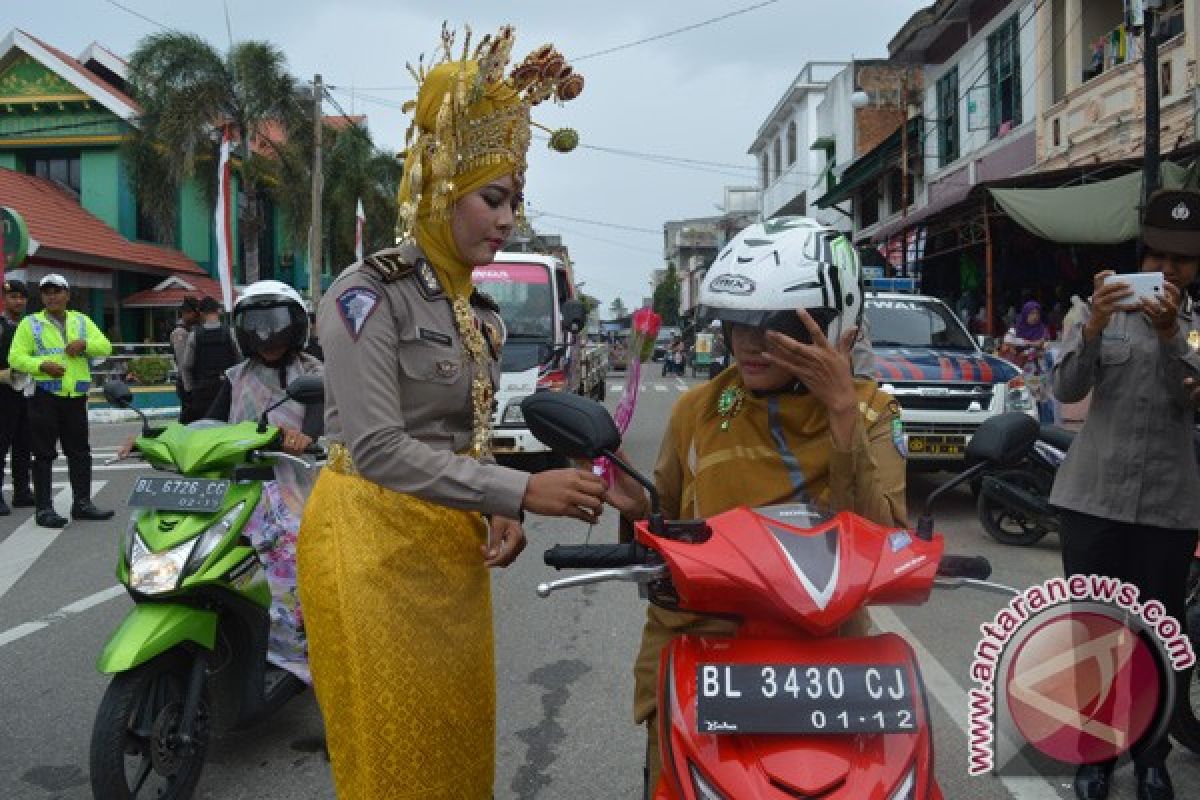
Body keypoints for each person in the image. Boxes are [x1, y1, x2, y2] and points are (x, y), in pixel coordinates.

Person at [296, 28, 605, 799]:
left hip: (447, 545)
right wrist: (519, 491)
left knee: (456, 748)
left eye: (515, 201)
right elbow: (376, 447)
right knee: (394, 760)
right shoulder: (369, 293)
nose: (507, 220)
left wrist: (490, 502)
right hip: (370, 541)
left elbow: (457, 435)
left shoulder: (478, 311)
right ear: (440, 188)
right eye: (492, 199)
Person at [604, 217, 907, 791]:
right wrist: (633, 503)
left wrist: (841, 412)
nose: (747, 341)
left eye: (772, 325)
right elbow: (665, 521)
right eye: (737, 322)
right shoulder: (698, 409)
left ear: (829, 322)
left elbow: (883, 540)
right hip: (701, 651)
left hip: (827, 665)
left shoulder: (872, 413)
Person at [1050, 189, 1200, 800]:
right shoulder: (1094, 306)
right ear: (1144, 251)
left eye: (1183, 260)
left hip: (1169, 505)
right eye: (1159, 255)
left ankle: (1151, 757)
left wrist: (1170, 337)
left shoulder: (1198, 330)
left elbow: (1190, 393)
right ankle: (1092, 756)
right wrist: (1093, 326)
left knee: (1159, 638)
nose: (1168, 269)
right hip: (1094, 501)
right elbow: (1064, 386)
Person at [123, 280, 322, 679]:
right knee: (193, 545)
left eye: (276, 324)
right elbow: (204, 424)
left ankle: (294, 653)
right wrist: (154, 438)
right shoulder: (236, 376)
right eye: (257, 325)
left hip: (290, 485)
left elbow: (317, 423)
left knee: (288, 555)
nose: (267, 335)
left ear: (296, 325)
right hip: (234, 482)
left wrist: (306, 438)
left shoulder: (313, 373)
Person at [7, 274, 113, 528]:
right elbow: (16, 358)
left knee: (80, 453)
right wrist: (41, 364)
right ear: (42, 297)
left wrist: (84, 344)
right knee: (43, 454)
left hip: (75, 397)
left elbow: (106, 347)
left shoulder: (82, 321)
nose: (52, 296)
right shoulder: (30, 324)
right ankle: (44, 510)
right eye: (47, 292)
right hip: (44, 395)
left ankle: (82, 504)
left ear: (67, 294)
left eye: (57, 291)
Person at [0, 280, 33, 513]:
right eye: (13, 296)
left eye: (22, 297)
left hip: (27, 392)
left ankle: (22, 491)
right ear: (5, 299)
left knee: (24, 444)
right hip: (2, 393)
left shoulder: (31, 326)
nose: (18, 301)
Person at [180, 295, 240, 423]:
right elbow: (240, 361)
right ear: (218, 311)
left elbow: (186, 366)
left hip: (202, 391)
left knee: (203, 429)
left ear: (201, 313)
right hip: (226, 389)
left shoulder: (194, 335)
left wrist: (190, 391)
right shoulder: (230, 333)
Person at [170, 296, 200, 416]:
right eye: (196, 314)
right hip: (186, 383)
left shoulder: (190, 330)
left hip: (190, 382)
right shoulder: (180, 333)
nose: (198, 317)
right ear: (187, 313)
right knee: (188, 417)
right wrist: (189, 390)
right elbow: (183, 364)